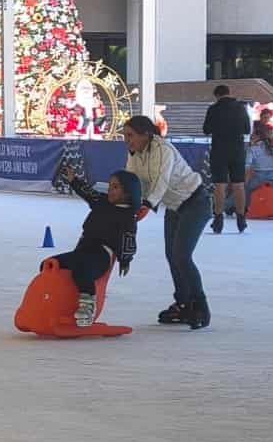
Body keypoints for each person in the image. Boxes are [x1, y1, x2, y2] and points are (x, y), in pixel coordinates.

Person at [124, 115, 212, 329]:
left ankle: (200, 307)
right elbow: (132, 180)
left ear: (146, 134)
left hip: (195, 203)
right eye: (125, 136)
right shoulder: (135, 153)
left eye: (130, 135)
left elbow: (160, 181)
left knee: (182, 256)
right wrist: (123, 203)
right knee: (172, 256)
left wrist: (146, 204)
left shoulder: (163, 150)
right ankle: (183, 303)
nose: (127, 140)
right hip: (174, 207)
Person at [53, 168, 141, 325]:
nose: (110, 190)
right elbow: (88, 193)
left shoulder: (128, 217)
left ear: (127, 192)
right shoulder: (102, 201)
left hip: (101, 256)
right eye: (109, 186)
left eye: (115, 187)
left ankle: (87, 308)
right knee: (52, 264)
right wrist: (74, 180)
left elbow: (129, 241)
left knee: (82, 271)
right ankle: (56, 302)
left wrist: (125, 260)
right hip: (82, 250)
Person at [202, 84, 251, 234]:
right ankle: (241, 218)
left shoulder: (213, 109)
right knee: (239, 184)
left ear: (216, 95)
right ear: (230, 93)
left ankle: (218, 219)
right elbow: (247, 129)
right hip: (237, 150)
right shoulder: (241, 108)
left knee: (220, 185)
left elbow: (206, 130)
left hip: (219, 150)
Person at [243, 122, 273, 214]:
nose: (251, 136)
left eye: (253, 135)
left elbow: (247, 167)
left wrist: (246, 181)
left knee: (244, 190)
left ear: (258, 136)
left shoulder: (252, 149)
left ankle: (230, 206)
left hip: (258, 178)